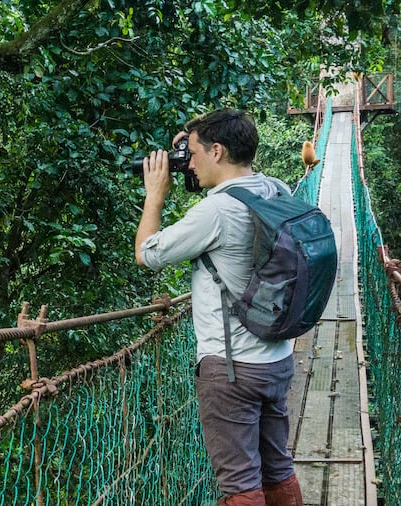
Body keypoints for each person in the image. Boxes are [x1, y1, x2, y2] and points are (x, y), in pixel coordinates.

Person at [133, 109, 303, 506]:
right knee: (277, 468)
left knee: (240, 483)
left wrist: (155, 195)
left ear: (217, 151)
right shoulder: (277, 190)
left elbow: (146, 253)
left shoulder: (215, 212)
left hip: (231, 368)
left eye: (192, 154)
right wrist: (191, 138)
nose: (189, 164)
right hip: (277, 358)